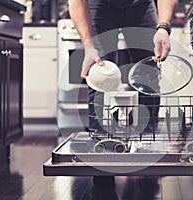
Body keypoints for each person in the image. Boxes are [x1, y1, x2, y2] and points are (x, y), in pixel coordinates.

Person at [68, 0, 177, 133]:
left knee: (148, 75)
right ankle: (101, 141)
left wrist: (163, 28)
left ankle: (147, 139)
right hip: (99, 6)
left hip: (140, 5)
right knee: (99, 73)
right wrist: (89, 47)